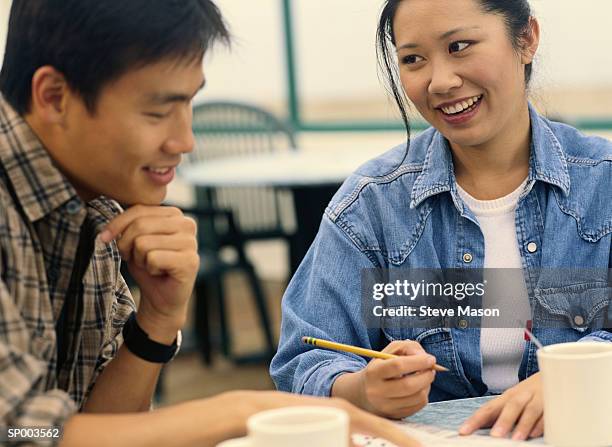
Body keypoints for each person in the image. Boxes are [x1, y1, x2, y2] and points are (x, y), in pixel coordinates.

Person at [0, 1, 421, 446]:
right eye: (159, 111)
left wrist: (157, 321)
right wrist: (245, 409)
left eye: (189, 103)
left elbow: (99, 429)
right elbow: (19, 431)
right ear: (53, 97)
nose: (185, 141)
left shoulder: (95, 207)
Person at [271, 0, 612, 442]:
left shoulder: (602, 184)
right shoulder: (371, 206)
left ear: (525, 39)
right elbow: (304, 361)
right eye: (413, 59)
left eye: (460, 46)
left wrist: (579, 373)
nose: (440, 81)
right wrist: (362, 391)